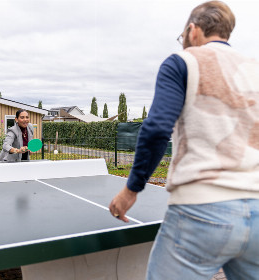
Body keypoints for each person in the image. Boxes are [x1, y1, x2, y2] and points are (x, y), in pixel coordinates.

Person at [109, 1, 259, 279]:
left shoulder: (183, 62)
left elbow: (155, 130)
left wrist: (130, 190)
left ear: (192, 30)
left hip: (203, 208)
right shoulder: (254, 68)